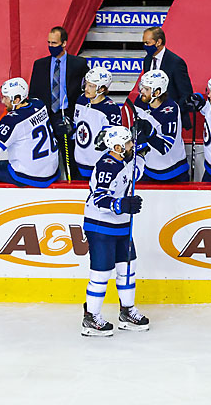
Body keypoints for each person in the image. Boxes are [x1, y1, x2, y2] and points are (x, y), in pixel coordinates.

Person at [81, 125, 149, 336]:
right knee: (101, 274)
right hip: (101, 226)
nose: (132, 146)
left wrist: (146, 141)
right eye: (129, 143)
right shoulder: (107, 165)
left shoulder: (124, 160)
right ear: (118, 147)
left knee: (127, 269)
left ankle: (127, 312)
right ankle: (90, 318)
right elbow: (98, 197)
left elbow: (137, 164)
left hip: (121, 225)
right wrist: (120, 205)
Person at [0, 77, 60, 187]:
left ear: (17, 100)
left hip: (31, 175)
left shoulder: (12, 120)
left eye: (6, 97)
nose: (3, 101)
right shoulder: (39, 104)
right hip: (52, 171)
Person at [29, 26, 89, 178]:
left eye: (54, 43)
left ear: (64, 43)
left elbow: (86, 91)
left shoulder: (78, 64)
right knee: (48, 159)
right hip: (46, 118)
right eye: (49, 43)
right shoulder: (39, 65)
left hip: (68, 116)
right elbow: (34, 94)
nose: (51, 46)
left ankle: (74, 185)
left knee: (71, 159)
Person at [131, 70, 189, 183]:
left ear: (157, 92)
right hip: (148, 169)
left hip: (173, 171)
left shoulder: (170, 110)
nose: (141, 91)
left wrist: (149, 131)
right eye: (141, 87)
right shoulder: (140, 102)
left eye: (146, 89)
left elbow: (164, 147)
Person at [72, 67, 123, 180]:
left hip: (99, 166)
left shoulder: (110, 109)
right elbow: (77, 127)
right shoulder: (81, 100)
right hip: (79, 162)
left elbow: (114, 140)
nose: (86, 89)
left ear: (102, 89)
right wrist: (69, 128)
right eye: (86, 84)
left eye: (91, 86)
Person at [140, 27, 194, 129]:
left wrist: (173, 112)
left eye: (147, 43)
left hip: (171, 119)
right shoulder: (147, 60)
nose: (145, 46)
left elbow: (186, 93)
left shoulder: (176, 62)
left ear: (158, 42)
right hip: (151, 117)